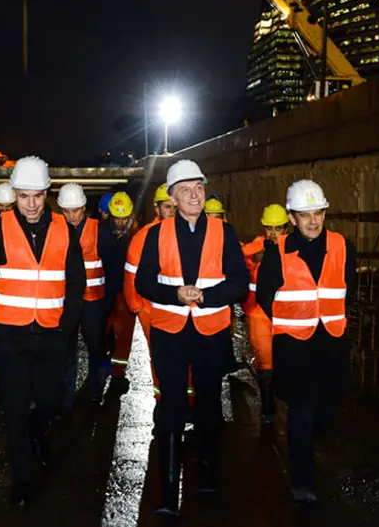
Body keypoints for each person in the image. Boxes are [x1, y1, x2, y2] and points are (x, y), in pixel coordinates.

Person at [0, 156, 86, 505]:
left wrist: (66, 328)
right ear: (14, 195)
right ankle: (22, 479)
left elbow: (76, 284)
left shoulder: (65, 230)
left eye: (37, 196)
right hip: (10, 336)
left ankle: (38, 432)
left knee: (50, 401)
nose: (31, 205)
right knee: (15, 407)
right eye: (24, 197)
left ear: (47, 193)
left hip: (51, 334)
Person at [135, 160, 248, 516]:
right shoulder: (156, 235)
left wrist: (206, 297)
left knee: (210, 403)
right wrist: (175, 296)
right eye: (185, 190)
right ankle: (169, 489)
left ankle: (207, 471)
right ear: (172, 197)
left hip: (211, 331)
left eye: (198, 187)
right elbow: (144, 282)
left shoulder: (225, 232)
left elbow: (239, 282)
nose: (194, 195)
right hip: (170, 331)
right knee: (171, 405)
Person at [256, 180, 355, 505]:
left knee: (325, 410)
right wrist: (295, 320)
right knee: (300, 413)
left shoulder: (342, 246)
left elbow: (347, 288)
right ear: (292, 218)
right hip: (295, 348)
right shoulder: (277, 253)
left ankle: (307, 446)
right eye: (305, 214)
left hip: (331, 345)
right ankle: (302, 482)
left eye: (318, 213)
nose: (313, 221)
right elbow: (266, 297)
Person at [125, 183, 193, 406]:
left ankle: (189, 400)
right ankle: (162, 399)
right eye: (167, 206)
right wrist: (136, 307)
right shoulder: (144, 236)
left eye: (174, 205)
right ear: (157, 209)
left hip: (185, 308)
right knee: (160, 358)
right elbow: (131, 274)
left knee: (189, 357)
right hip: (152, 309)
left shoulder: (191, 232)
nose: (172, 211)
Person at [57, 182, 120, 407]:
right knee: (66, 348)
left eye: (76, 210)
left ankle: (95, 388)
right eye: (67, 211)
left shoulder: (99, 232)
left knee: (96, 346)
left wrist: (109, 303)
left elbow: (113, 270)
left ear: (84, 208)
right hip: (66, 302)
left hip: (94, 301)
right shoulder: (56, 232)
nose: (72, 216)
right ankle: (65, 398)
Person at [241, 203, 290, 426]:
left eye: (277, 228)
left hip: (284, 313)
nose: (272, 233)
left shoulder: (291, 249)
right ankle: (268, 407)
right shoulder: (256, 248)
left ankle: (285, 399)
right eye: (269, 228)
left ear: (285, 228)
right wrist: (253, 259)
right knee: (265, 360)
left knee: (287, 359)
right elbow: (237, 257)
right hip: (258, 312)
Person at [106, 191, 138, 389]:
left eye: (124, 218)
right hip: (106, 293)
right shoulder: (102, 234)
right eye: (117, 218)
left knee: (125, 336)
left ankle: (118, 374)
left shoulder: (137, 237)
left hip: (127, 295)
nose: (120, 222)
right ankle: (103, 367)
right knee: (105, 333)